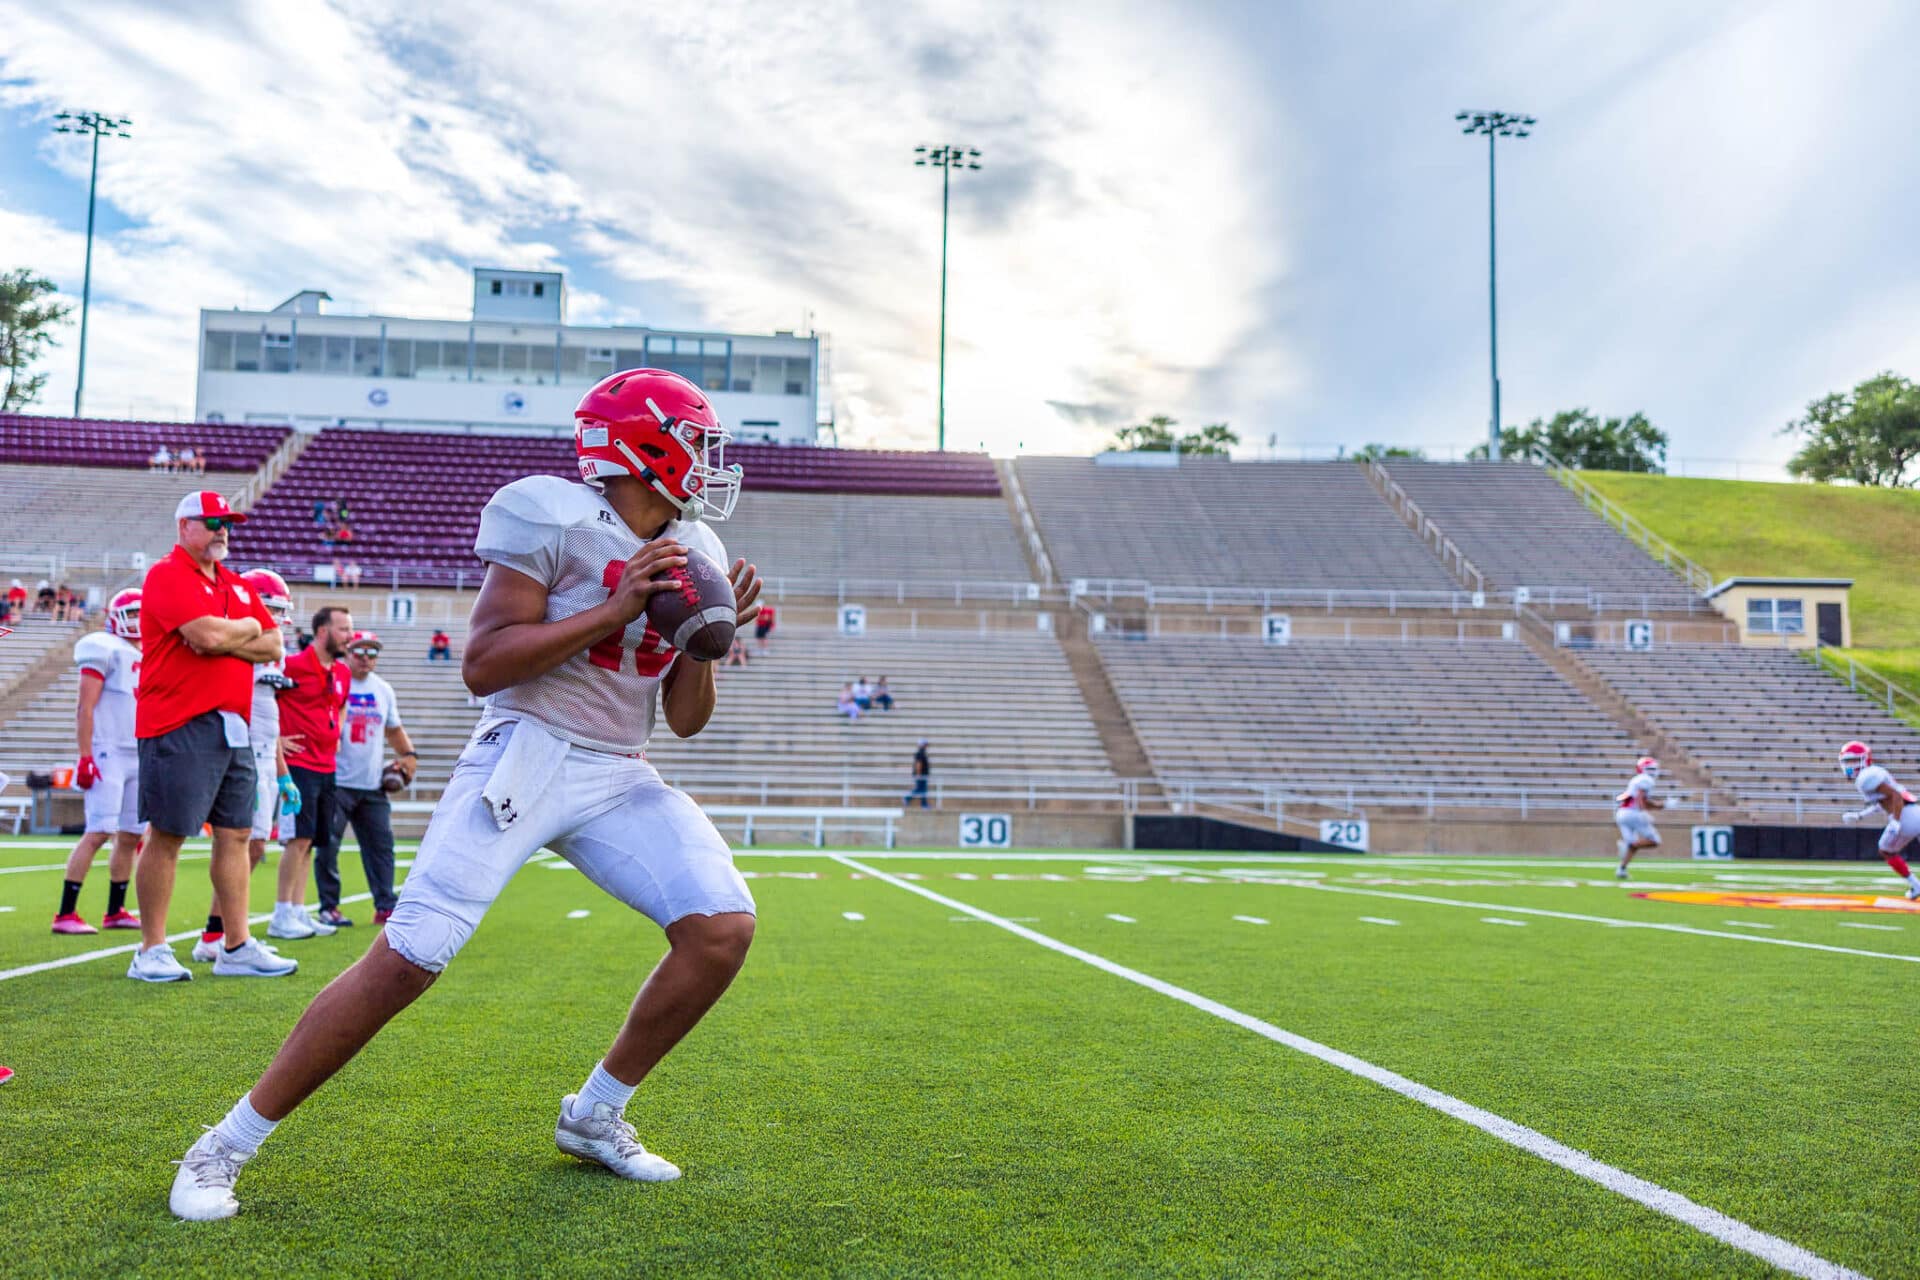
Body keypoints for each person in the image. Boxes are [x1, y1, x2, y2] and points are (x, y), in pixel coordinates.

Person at [170, 367, 760, 1221]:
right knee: (409, 958)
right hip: (525, 748)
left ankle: (595, 1114)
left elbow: (685, 720)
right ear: (644, 444)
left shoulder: (696, 549)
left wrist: (707, 645)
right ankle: (222, 1146)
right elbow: (484, 664)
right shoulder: (550, 512)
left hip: (619, 767)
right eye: (698, 441)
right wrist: (614, 606)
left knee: (721, 929)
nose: (708, 462)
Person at [129, 491, 296, 982]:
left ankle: (236, 944)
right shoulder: (167, 574)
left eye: (227, 522)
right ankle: (151, 949)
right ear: (184, 527)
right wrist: (243, 629)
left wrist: (234, 632)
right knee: (168, 832)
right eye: (212, 521)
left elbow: (273, 646)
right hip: (178, 720)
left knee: (238, 833)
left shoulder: (236, 584)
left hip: (233, 722)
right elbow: (205, 637)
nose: (223, 530)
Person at [194, 570, 302, 963]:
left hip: (262, 753)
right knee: (243, 843)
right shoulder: (234, 642)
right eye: (268, 607)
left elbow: (267, 719)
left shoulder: (274, 648)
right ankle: (217, 936)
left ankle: (216, 934)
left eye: (276, 610)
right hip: (239, 750)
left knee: (255, 846)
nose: (273, 617)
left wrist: (284, 773)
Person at [52, 589, 146, 935]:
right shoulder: (103, 647)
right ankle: (65, 913)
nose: (137, 621)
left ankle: (115, 910)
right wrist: (86, 756)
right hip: (109, 750)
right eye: (132, 613)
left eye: (142, 614)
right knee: (99, 830)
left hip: (138, 752)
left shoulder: (147, 653)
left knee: (132, 834)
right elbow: (85, 707)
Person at [319, 632, 416, 926]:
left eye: (372, 653)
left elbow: (393, 729)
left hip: (372, 783)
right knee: (328, 847)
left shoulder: (383, 689)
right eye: (359, 651)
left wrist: (410, 755)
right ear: (347, 653)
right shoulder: (335, 683)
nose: (365, 658)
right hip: (337, 780)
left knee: (382, 847)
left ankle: (385, 905)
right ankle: (329, 907)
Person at [271, 605, 353, 938]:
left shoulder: (342, 672)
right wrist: (275, 738)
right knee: (297, 838)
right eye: (344, 629)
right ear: (323, 632)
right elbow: (262, 698)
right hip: (299, 765)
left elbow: (342, 703)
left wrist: (337, 732)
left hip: (326, 765)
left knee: (313, 841)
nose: (350, 635)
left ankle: (296, 909)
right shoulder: (292, 665)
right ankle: (280, 913)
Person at [1840, 741, 1920, 899]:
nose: (1849, 766)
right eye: (1847, 762)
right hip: (1914, 811)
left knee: (1886, 850)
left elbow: (1895, 796)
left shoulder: (1866, 778)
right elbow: (1882, 802)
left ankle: (1916, 886)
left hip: (1906, 816)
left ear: (1865, 759)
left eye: (1853, 761)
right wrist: (1860, 815)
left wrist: (1896, 821)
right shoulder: (1873, 773)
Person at [1612, 756, 1664, 880]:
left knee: (1633, 845)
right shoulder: (1645, 780)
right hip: (1633, 813)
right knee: (1654, 841)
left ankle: (1622, 869)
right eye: (1649, 768)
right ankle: (1626, 845)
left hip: (1622, 813)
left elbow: (1642, 800)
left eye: (1653, 769)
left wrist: (1661, 805)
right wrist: (1642, 812)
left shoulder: (1637, 779)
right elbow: (1640, 797)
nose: (1652, 771)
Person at [904, 739, 931, 808]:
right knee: (920, 789)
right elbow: (919, 764)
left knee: (922, 789)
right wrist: (919, 774)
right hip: (921, 775)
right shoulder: (920, 753)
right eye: (925, 744)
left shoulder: (922, 753)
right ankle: (907, 798)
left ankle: (923, 803)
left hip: (922, 775)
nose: (926, 746)